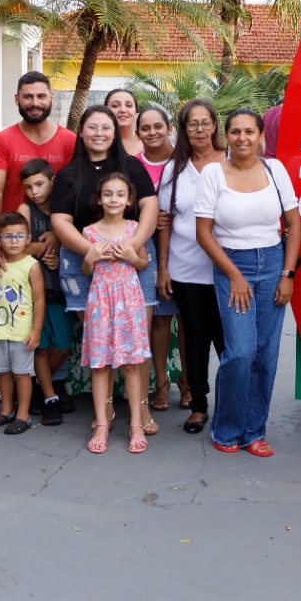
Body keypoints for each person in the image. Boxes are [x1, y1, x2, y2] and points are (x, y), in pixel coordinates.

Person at [194, 108, 301, 457]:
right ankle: (226, 428)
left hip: (272, 263)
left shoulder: (276, 169)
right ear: (226, 136)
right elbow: (203, 233)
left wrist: (287, 274)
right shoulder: (213, 173)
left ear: (261, 136)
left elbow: (295, 225)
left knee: (266, 355)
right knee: (239, 352)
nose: (243, 138)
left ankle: (254, 430)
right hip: (232, 265)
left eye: (249, 132)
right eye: (236, 132)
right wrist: (234, 275)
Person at [50, 105, 161, 433]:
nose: (99, 134)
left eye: (106, 128)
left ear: (116, 132)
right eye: (92, 128)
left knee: (134, 340)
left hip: (134, 256)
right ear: (81, 132)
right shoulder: (69, 174)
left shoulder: (132, 167)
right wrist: (92, 250)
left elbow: (150, 206)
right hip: (85, 258)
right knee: (102, 339)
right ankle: (106, 411)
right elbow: (60, 219)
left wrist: (134, 244)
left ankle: (141, 412)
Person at [157, 99, 229, 435]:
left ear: (215, 125)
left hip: (230, 269)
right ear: (184, 129)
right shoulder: (175, 168)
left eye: (205, 122)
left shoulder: (233, 162)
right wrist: (162, 268)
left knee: (228, 342)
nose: (200, 129)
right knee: (197, 339)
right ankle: (199, 407)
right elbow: (165, 222)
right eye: (192, 124)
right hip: (186, 269)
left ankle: (232, 406)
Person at [79, 172, 153, 454]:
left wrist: (133, 257)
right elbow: (88, 271)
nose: (114, 199)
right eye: (108, 194)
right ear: (99, 199)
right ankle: (101, 423)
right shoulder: (89, 232)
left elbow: (143, 263)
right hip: (101, 302)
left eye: (120, 194)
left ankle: (135, 424)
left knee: (132, 364)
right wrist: (89, 258)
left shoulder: (135, 229)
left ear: (129, 200)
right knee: (100, 365)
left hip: (129, 302)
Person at [0, 72, 79, 277]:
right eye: (28, 97)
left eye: (41, 96)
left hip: (58, 246)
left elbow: (77, 193)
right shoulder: (2, 140)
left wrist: (60, 233)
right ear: (17, 99)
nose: (35, 103)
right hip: (12, 247)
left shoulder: (70, 141)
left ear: (52, 98)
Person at [136, 106, 186, 411]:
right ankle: (161, 384)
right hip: (149, 251)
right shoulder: (133, 165)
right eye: (146, 128)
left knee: (189, 321)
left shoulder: (185, 161)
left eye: (158, 126)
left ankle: (188, 383)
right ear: (137, 132)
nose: (152, 132)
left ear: (169, 128)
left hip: (187, 250)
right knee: (160, 320)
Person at [15, 160, 72, 423]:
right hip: (35, 290)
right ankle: (50, 397)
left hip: (63, 288)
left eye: (39, 184)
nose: (34, 191)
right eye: (28, 187)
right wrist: (46, 250)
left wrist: (58, 250)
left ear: (52, 180)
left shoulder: (64, 208)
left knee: (62, 345)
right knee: (41, 346)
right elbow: (20, 245)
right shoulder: (25, 209)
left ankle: (34, 385)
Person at [0, 212, 45, 436]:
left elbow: (39, 299)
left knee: (21, 374)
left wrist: (36, 330)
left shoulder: (31, 266)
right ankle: (6, 410)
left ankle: (23, 415)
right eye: (8, 237)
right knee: (3, 372)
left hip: (21, 332)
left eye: (20, 236)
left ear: (28, 238)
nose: (14, 241)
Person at [106, 87, 144, 158]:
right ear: (105, 111)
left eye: (129, 105)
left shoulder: (148, 145)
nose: (123, 110)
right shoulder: (97, 144)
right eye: (115, 106)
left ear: (135, 111)